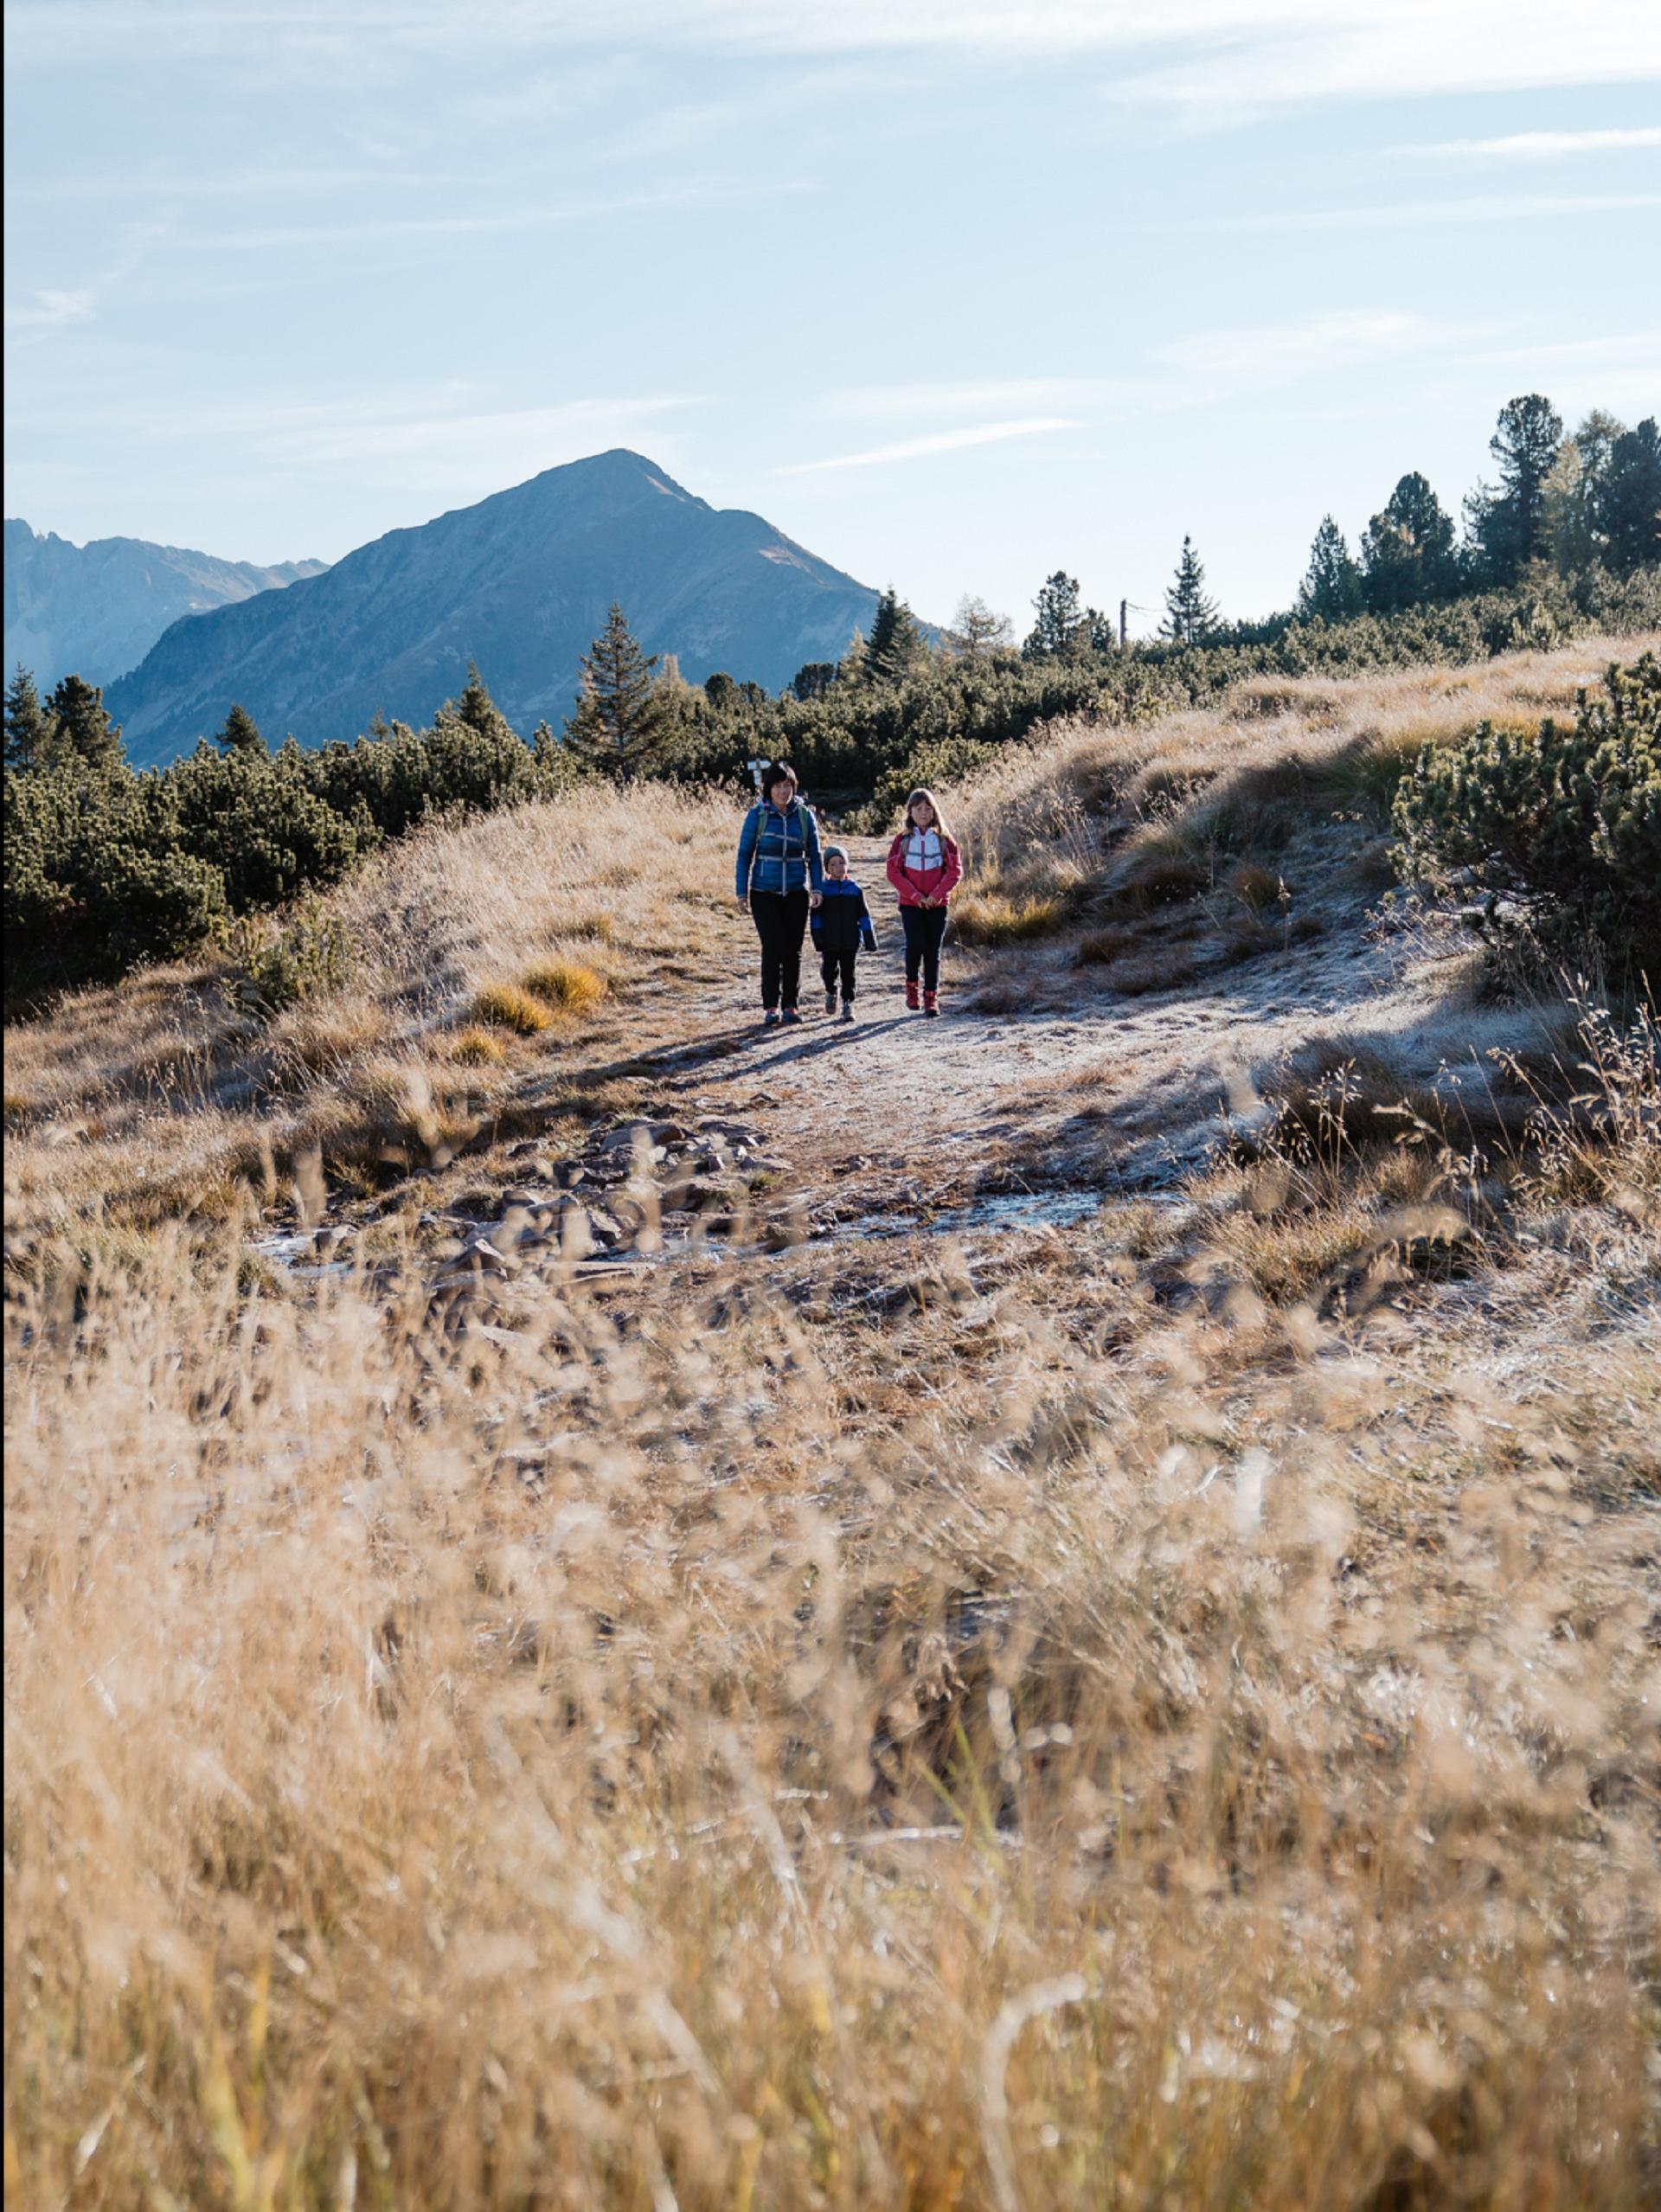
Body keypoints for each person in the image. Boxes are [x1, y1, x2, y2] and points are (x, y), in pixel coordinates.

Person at [734, 760, 824, 1026]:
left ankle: (791, 1006)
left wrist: (816, 887)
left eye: (787, 786)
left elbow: (816, 856)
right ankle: (771, 1006)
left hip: (796, 891)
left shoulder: (804, 815)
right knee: (772, 947)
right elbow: (744, 855)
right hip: (764, 892)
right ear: (769, 788)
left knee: (793, 950)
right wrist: (742, 892)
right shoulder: (757, 815)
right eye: (778, 786)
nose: (783, 791)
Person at [886, 786, 962, 1016]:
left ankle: (931, 998)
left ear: (934, 811)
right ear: (910, 811)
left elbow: (955, 871)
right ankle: (911, 988)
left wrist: (935, 895)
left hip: (937, 905)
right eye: (918, 808)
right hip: (911, 905)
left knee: (932, 951)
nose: (923, 812)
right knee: (915, 945)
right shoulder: (902, 840)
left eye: (928, 808)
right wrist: (916, 896)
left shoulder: (944, 840)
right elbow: (893, 872)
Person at [810, 844, 878, 1023]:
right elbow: (816, 916)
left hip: (850, 941)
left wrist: (869, 938)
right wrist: (817, 936)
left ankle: (848, 1004)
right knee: (828, 971)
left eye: (841, 863)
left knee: (849, 973)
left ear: (847, 865)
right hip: (829, 941)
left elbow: (864, 915)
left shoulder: (855, 890)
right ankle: (831, 992)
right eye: (832, 864)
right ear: (827, 869)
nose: (838, 867)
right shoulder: (823, 891)